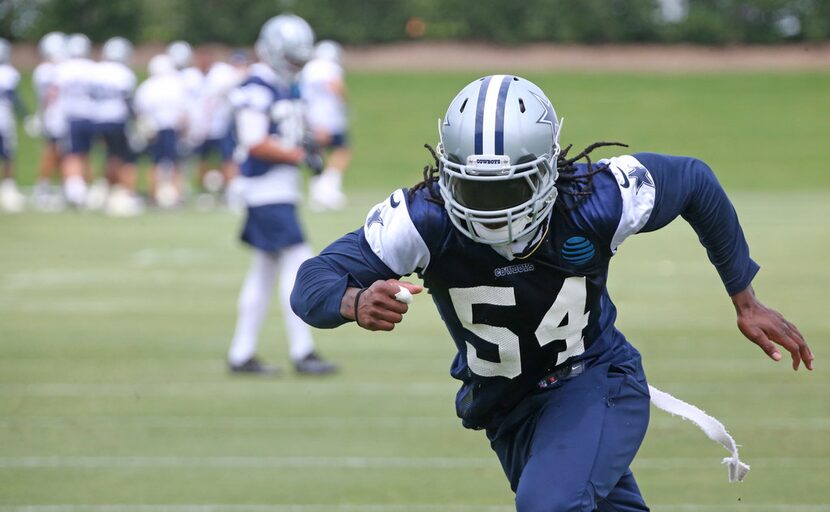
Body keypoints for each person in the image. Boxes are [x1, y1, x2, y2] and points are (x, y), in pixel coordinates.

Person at [290, 75, 814, 510]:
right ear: (447, 175)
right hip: (506, 407)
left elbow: (695, 182)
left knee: (550, 506)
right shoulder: (422, 220)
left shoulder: (597, 199)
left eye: (509, 187)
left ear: (547, 172)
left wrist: (745, 298)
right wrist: (353, 302)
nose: (491, 208)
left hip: (594, 380)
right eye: (475, 188)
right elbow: (310, 284)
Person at [225, 14, 337, 376]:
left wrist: (309, 140)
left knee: (264, 271)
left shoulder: (285, 85)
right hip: (264, 189)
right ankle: (302, 350)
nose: (296, 65)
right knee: (300, 261)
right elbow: (254, 141)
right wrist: (299, 154)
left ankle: (241, 353)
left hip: (280, 190)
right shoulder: (257, 85)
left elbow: (295, 130)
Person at [92, 37, 143, 217]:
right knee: (126, 157)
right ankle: (125, 193)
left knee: (110, 157)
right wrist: (138, 121)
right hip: (117, 120)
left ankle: (108, 190)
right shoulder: (124, 73)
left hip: (97, 120)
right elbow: (128, 101)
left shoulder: (96, 71)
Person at [300, 40, 350, 211]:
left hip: (310, 115)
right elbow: (335, 86)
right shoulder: (330, 67)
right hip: (329, 116)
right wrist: (345, 103)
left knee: (317, 152)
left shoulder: (307, 68)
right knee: (343, 149)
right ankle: (327, 190)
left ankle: (318, 192)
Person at [133, 55, 188, 208]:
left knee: (155, 162)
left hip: (154, 128)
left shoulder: (147, 86)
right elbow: (184, 112)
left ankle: (153, 195)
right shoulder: (177, 84)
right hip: (172, 127)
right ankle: (177, 195)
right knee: (175, 162)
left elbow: (139, 111)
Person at [55, 33, 96, 208]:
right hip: (91, 116)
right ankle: (83, 189)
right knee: (85, 154)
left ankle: (75, 192)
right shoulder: (93, 67)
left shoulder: (62, 68)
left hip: (71, 117)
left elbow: (53, 93)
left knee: (72, 154)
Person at [31, 31, 67, 211]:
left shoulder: (49, 69)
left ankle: (58, 188)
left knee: (60, 153)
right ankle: (43, 189)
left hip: (55, 117)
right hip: (56, 118)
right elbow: (47, 96)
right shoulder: (48, 70)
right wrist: (41, 116)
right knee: (52, 151)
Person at [0, 38, 27, 213]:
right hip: (3, 121)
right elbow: (13, 97)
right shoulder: (8, 73)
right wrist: (25, 115)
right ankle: (7, 189)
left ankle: (8, 189)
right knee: (8, 155)